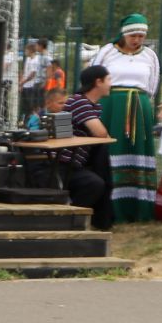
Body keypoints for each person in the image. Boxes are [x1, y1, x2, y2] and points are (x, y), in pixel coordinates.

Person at [83, 15, 161, 223]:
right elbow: (93, 77)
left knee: (137, 152)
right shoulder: (108, 51)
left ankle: (139, 208)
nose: (137, 39)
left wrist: (142, 104)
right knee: (110, 151)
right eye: (133, 35)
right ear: (125, 34)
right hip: (111, 107)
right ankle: (110, 208)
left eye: (141, 35)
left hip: (139, 106)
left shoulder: (150, 56)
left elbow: (152, 86)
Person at [58, 65, 114, 231]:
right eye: (109, 79)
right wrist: (102, 134)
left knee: (97, 181)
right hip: (61, 164)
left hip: (76, 163)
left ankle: (74, 220)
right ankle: (68, 220)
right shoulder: (79, 101)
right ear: (98, 82)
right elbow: (101, 133)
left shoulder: (94, 106)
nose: (111, 84)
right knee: (94, 184)